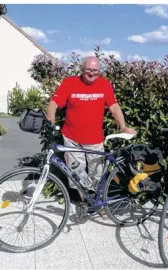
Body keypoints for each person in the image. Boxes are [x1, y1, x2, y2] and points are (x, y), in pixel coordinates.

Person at [46, 56, 136, 195]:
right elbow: (53, 104)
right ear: (82, 69)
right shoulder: (70, 83)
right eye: (88, 69)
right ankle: (86, 203)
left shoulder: (104, 84)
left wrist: (123, 127)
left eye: (95, 70)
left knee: (97, 175)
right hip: (71, 138)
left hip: (94, 139)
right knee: (77, 175)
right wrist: (50, 124)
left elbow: (114, 107)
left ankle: (97, 203)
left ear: (99, 71)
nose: (92, 73)